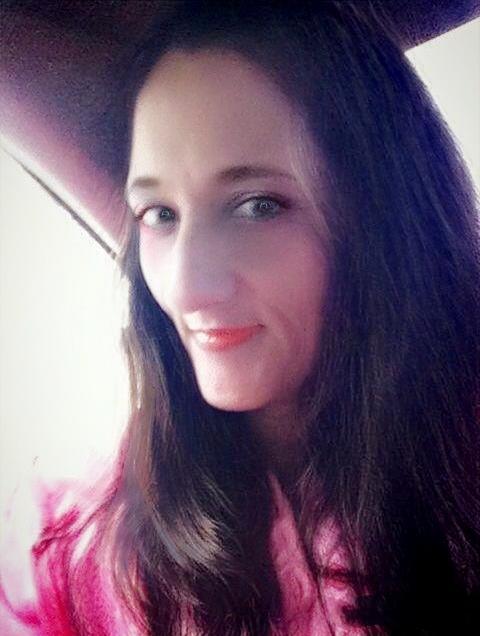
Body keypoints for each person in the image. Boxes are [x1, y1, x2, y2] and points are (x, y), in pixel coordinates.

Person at [1, 2, 479, 634]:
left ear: (383, 223)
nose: (186, 287)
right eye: (159, 215)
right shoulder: (68, 551)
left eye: (256, 206)